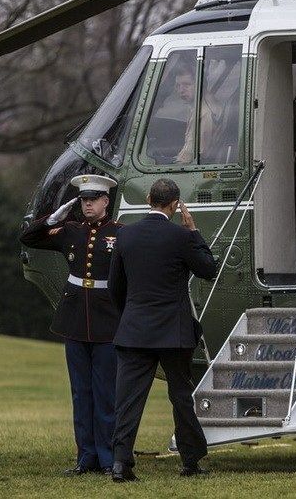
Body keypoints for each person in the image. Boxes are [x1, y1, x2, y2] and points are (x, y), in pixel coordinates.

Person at [108, 178, 217, 482]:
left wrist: (129, 315)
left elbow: (115, 287)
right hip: (174, 331)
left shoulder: (125, 236)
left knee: (128, 400)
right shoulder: (180, 236)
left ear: (148, 200)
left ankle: (120, 463)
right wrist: (193, 231)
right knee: (180, 397)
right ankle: (191, 461)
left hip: (135, 330)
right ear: (175, 205)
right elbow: (208, 269)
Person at [19, 174, 122, 476]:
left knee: (105, 394)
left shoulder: (119, 233)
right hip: (75, 319)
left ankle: (107, 458)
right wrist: (53, 217)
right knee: (81, 393)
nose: (87, 204)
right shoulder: (70, 231)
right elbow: (28, 238)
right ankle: (85, 458)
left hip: (106, 322)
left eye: (93, 200)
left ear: (106, 201)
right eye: (84, 200)